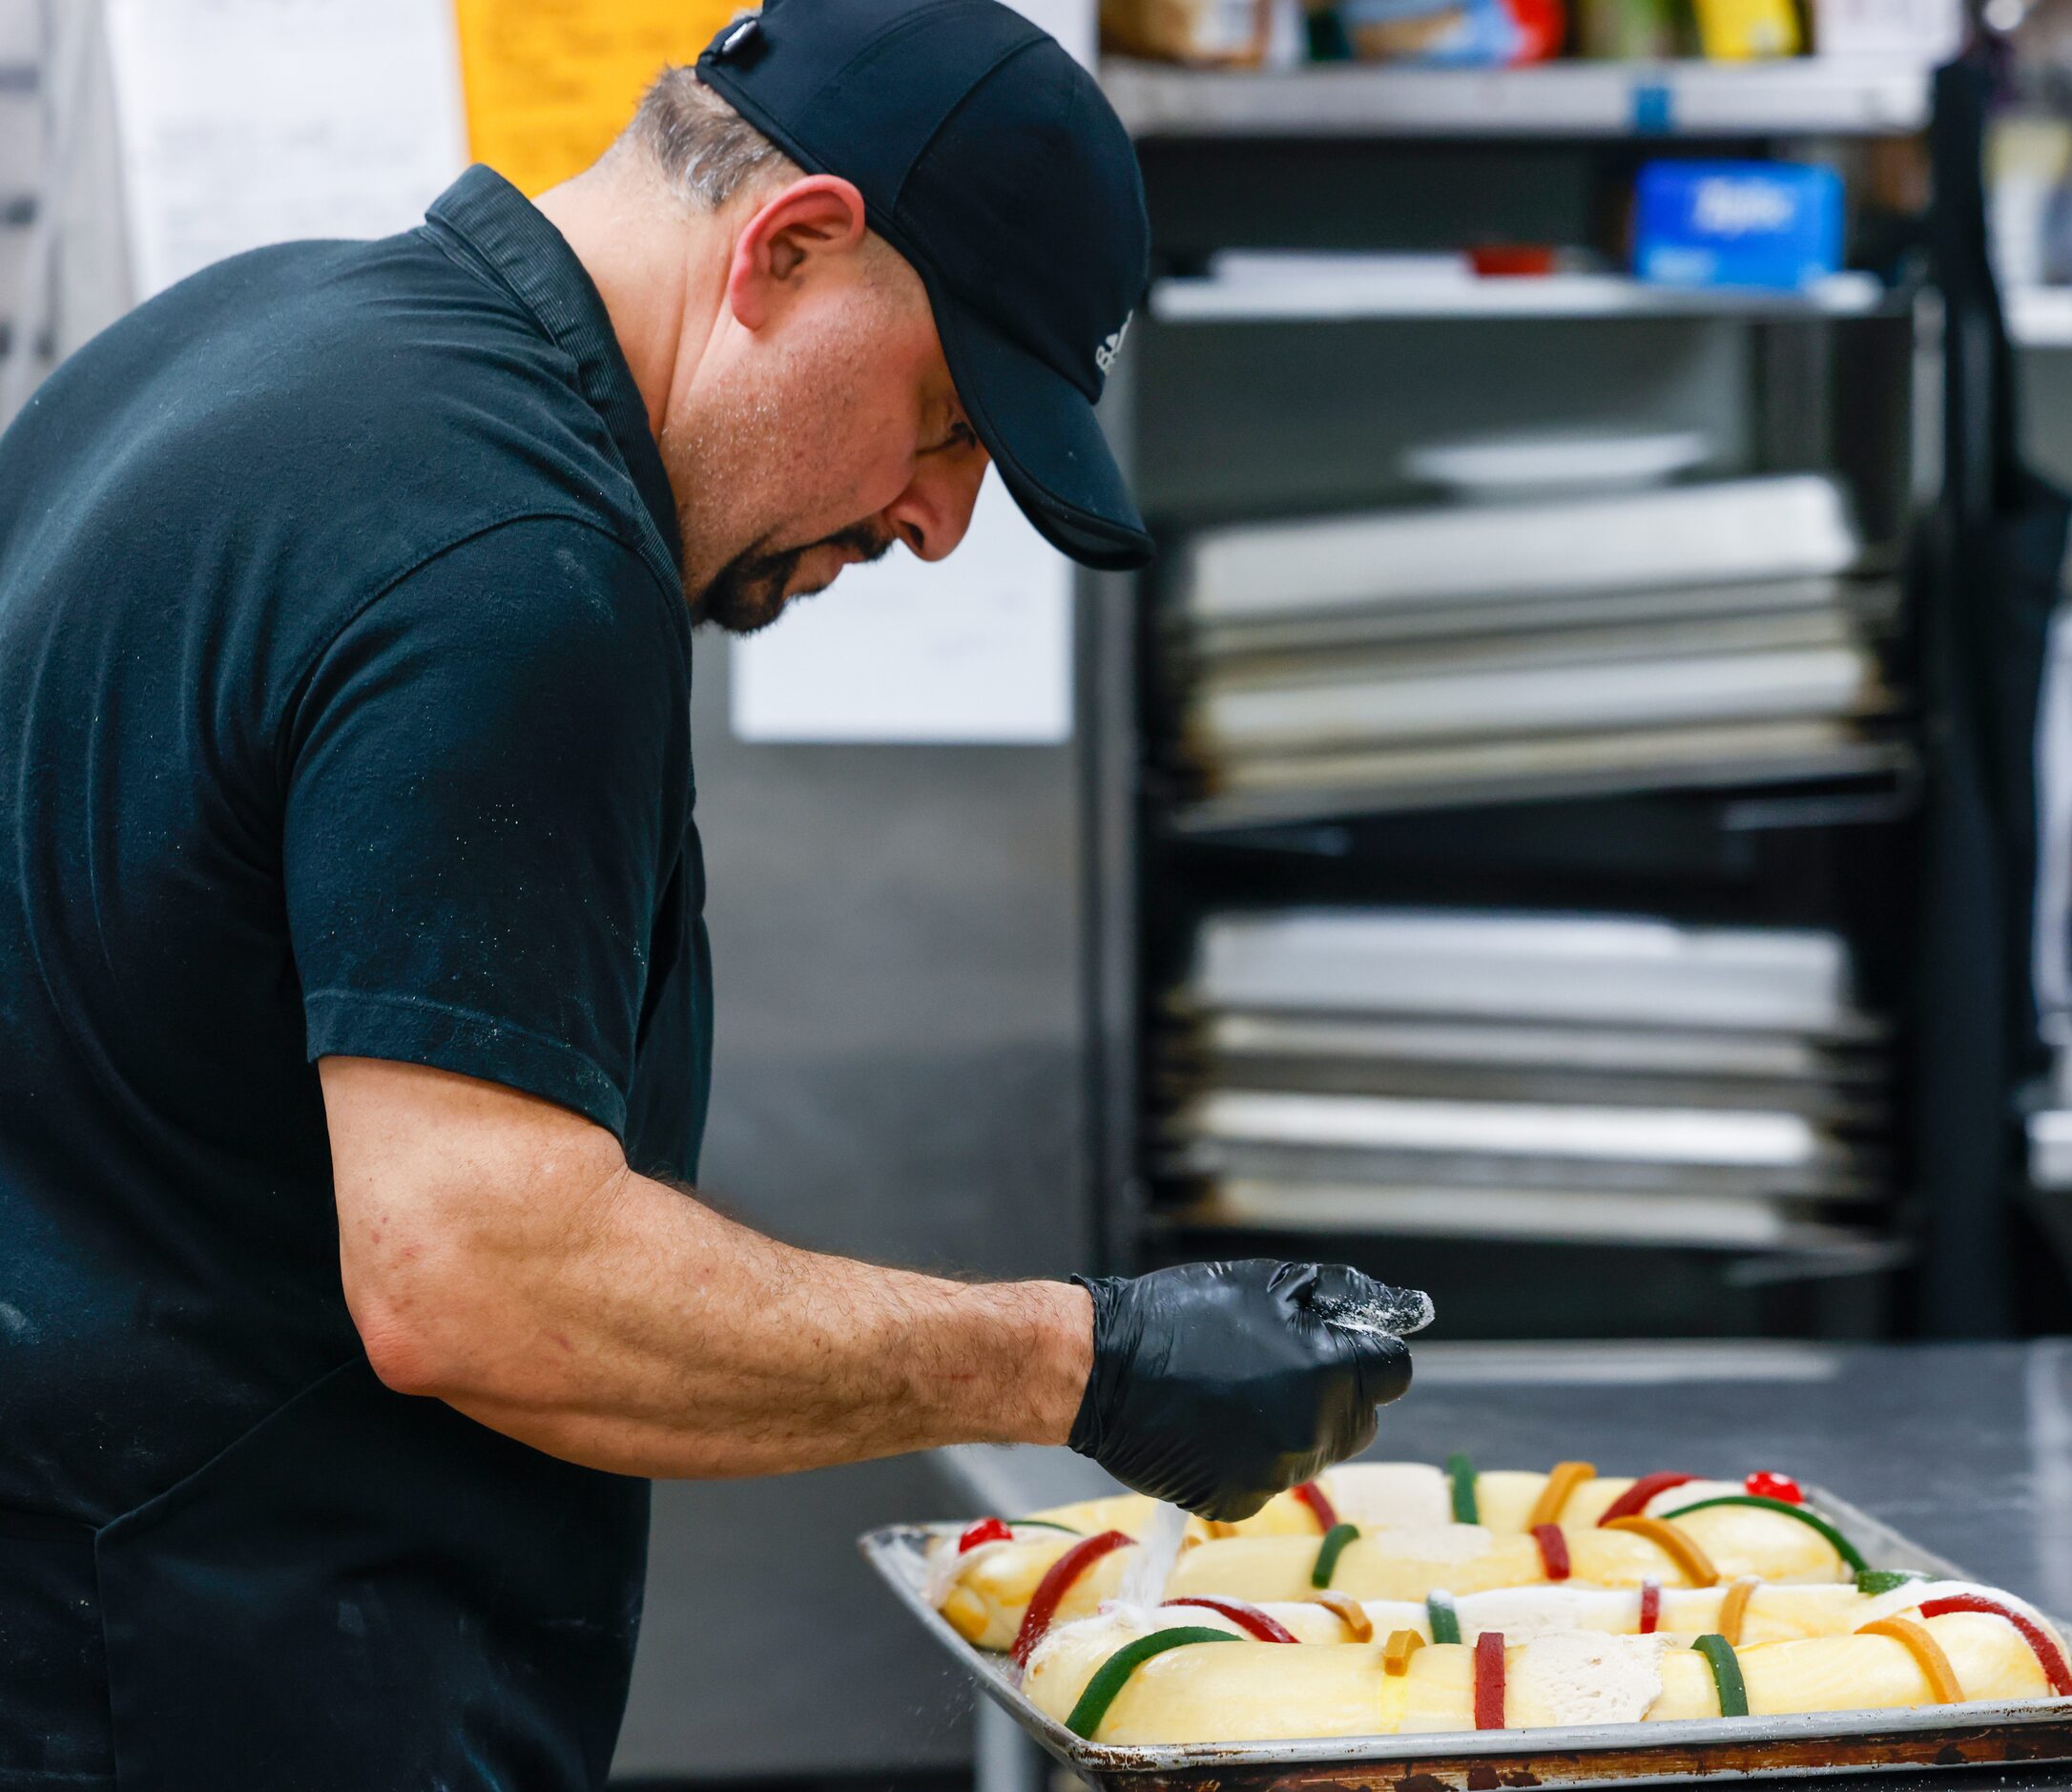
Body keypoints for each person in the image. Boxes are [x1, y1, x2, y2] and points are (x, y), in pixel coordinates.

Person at [0, 3, 1419, 1786]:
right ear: (790, 244)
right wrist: (1086, 1360)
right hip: (204, 1681)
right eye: (946, 419)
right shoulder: (512, 557)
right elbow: (479, 1277)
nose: (936, 525)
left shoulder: (250, 333)